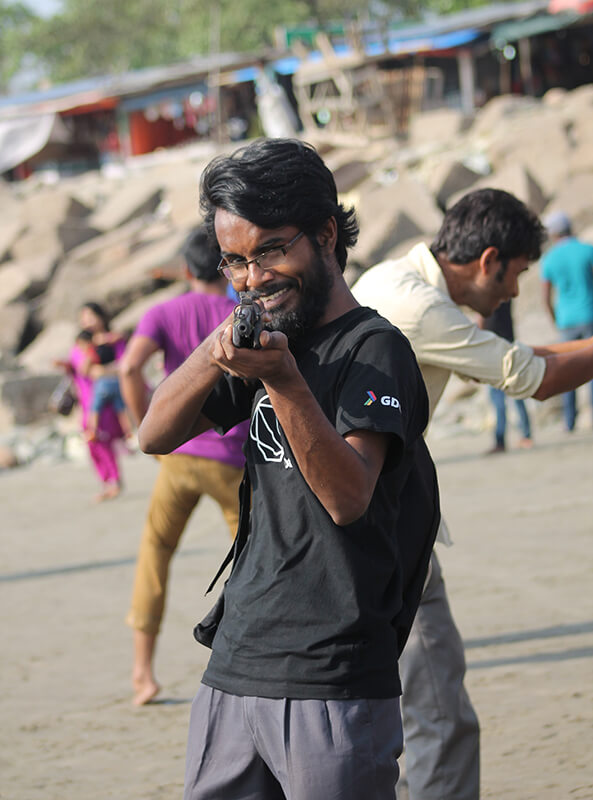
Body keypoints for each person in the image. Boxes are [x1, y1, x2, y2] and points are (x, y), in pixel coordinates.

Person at [137, 139, 440, 800]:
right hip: (235, 662)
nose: (253, 277)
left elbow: (348, 496)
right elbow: (153, 433)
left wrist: (283, 381)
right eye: (235, 261)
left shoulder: (374, 350)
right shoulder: (267, 339)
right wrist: (219, 349)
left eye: (271, 250)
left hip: (332, 673)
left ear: (326, 234)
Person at [352, 187, 593, 800]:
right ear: (488, 261)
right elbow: (534, 378)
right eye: (516, 276)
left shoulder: (393, 277)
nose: (514, 293)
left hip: (360, 515)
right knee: (439, 709)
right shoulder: (425, 308)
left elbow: (516, 357)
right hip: (382, 524)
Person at [119, 226, 249, 707]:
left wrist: (144, 428)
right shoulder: (239, 312)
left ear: (186, 270)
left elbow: (129, 367)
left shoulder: (163, 312)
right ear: (223, 266)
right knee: (252, 559)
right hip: (232, 459)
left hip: (179, 457)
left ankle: (142, 674)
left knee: (155, 553)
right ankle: (250, 658)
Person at [55, 301, 126, 502]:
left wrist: (102, 369)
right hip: (87, 400)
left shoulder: (114, 340)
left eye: (91, 316)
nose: (87, 321)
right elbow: (83, 369)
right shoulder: (81, 344)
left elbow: (125, 364)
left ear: (101, 317)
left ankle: (114, 481)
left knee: (101, 439)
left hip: (109, 400)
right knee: (92, 442)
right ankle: (106, 482)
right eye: (83, 317)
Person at [540, 210, 593, 431]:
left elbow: (546, 296)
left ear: (553, 234)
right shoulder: (587, 250)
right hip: (590, 315)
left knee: (568, 368)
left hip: (566, 320)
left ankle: (569, 421)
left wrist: (554, 318)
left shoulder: (549, 258)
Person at [479, 301, 532, 453]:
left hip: (493, 346)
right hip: (508, 343)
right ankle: (526, 435)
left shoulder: (488, 294)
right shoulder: (505, 293)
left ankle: (501, 440)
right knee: (516, 393)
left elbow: (482, 318)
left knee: (498, 398)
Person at [74, 329, 132, 442]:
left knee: (95, 408)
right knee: (121, 409)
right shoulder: (108, 345)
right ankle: (129, 432)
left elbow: (83, 370)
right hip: (117, 381)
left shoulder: (92, 350)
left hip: (103, 384)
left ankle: (93, 431)